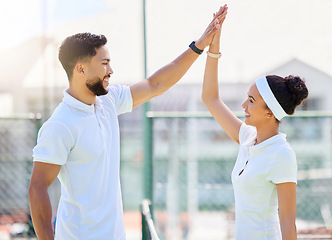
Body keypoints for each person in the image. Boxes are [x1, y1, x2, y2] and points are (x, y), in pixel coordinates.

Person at [28, 5, 227, 240]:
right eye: (104, 63)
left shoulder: (109, 100)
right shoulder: (61, 125)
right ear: (80, 69)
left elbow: (156, 85)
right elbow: (37, 188)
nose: (110, 70)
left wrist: (199, 46)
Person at [201, 5, 308, 240]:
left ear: (270, 113)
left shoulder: (282, 155)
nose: (243, 106)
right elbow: (210, 98)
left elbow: (289, 224)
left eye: (251, 101)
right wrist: (213, 46)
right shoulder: (247, 137)